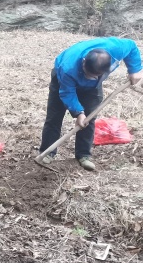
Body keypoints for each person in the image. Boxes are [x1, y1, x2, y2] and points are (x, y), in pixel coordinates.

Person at [40, 37, 142, 170]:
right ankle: (48, 152)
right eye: (87, 74)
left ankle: (83, 155)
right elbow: (67, 93)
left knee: (89, 117)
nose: (89, 78)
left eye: (94, 75)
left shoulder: (116, 48)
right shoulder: (67, 68)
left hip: (93, 87)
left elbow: (132, 46)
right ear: (83, 62)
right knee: (54, 116)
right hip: (64, 82)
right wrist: (78, 113)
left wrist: (135, 69)